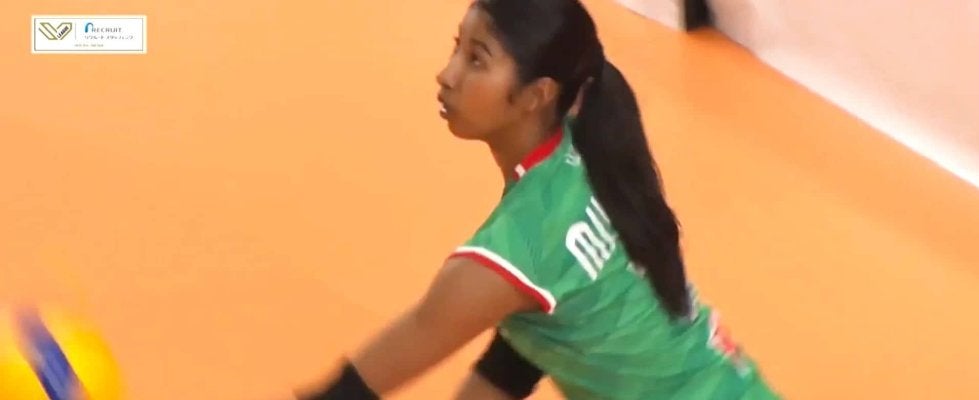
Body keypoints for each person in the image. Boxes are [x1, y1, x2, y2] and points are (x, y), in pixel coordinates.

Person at [296, 0, 780, 398]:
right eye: (456, 47)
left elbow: (353, 391)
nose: (447, 75)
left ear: (537, 95)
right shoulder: (586, 155)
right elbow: (517, 357)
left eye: (477, 60)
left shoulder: (513, 252)